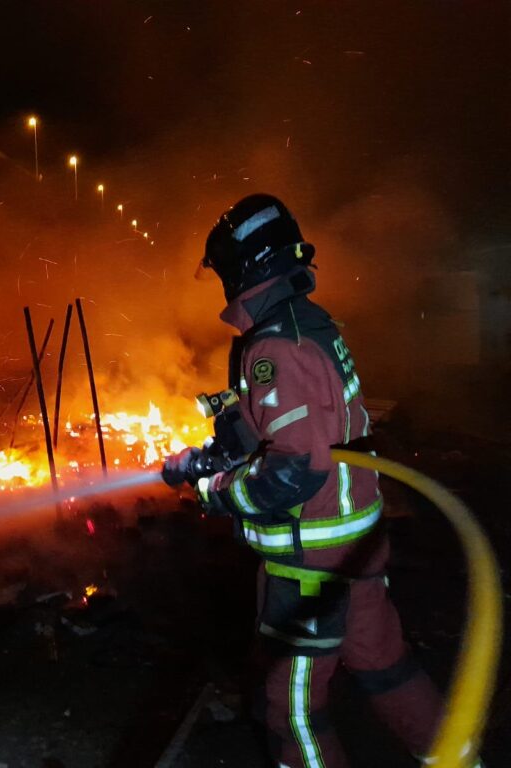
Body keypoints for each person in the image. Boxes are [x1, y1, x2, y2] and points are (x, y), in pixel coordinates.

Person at [161, 194, 444, 767]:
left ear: (245, 267)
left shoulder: (274, 348)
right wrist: (208, 456)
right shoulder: (303, 324)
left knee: (290, 711)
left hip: (309, 566)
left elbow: (295, 467)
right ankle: (459, 757)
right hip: (353, 551)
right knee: (385, 667)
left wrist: (216, 494)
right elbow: (288, 425)